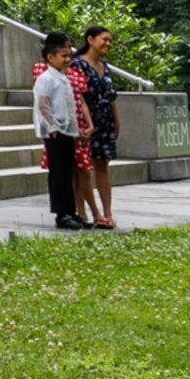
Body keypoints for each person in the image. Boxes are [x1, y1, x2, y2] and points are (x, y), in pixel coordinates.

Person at [32, 33, 88, 230]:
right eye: (63, 56)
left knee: (67, 171)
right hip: (55, 132)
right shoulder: (45, 78)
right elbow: (43, 104)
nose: (67, 59)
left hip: (67, 130)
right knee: (57, 173)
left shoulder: (63, 77)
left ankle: (71, 211)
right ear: (50, 57)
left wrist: (74, 128)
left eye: (68, 55)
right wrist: (52, 126)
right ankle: (61, 213)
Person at [76, 26, 125, 229]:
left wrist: (116, 119)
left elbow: (111, 96)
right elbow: (78, 96)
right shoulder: (78, 64)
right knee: (83, 168)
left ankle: (107, 213)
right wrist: (86, 123)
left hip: (105, 121)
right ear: (90, 40)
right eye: (104, 39)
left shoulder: (105, 67)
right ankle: (84, 212)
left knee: (102, 165)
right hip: (86, 122)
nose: (108, 43)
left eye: (110, 40)